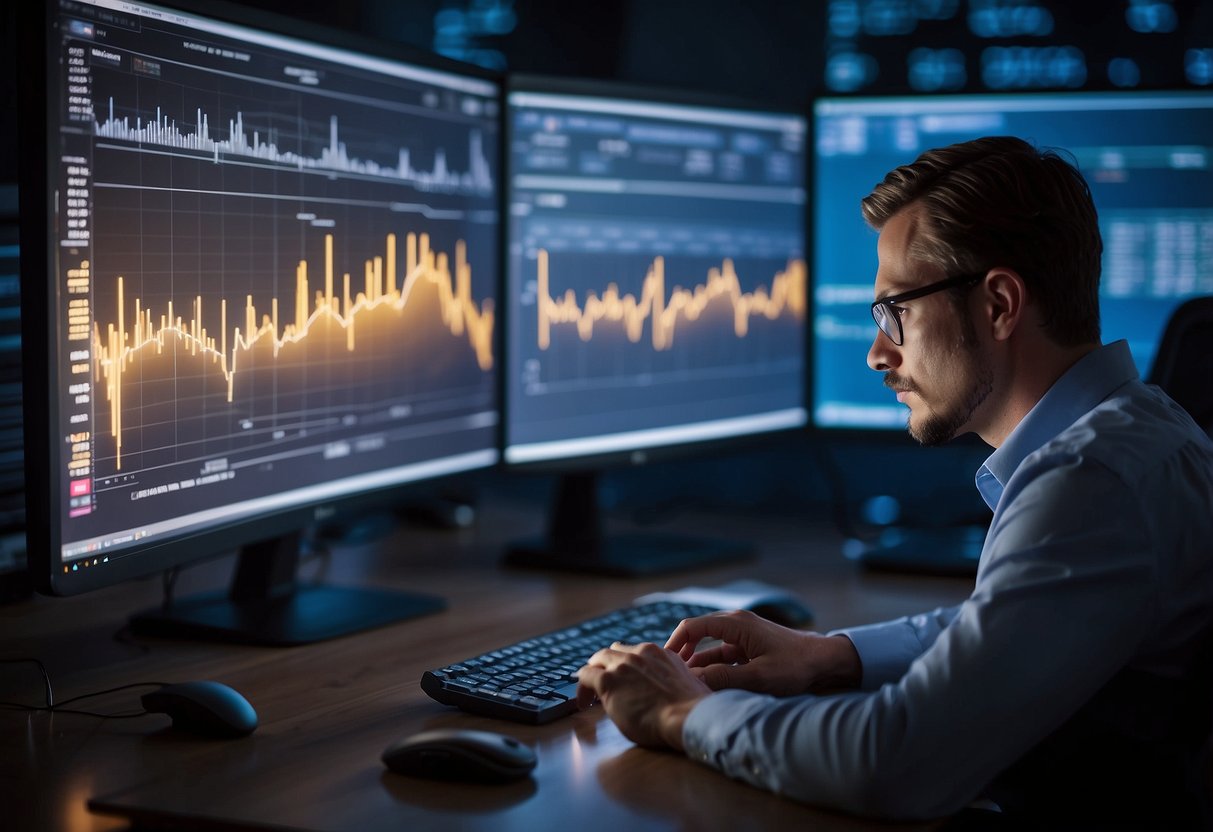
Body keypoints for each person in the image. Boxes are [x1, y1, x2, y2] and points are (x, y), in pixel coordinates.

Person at [574, 136, 1213, 826]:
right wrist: (830, 656)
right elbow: (1013, 626)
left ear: (998, 304)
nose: (879, 352)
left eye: (895, 312)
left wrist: (683, 711)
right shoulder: (1142, 429)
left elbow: (892, 762)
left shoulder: (1091, 481)